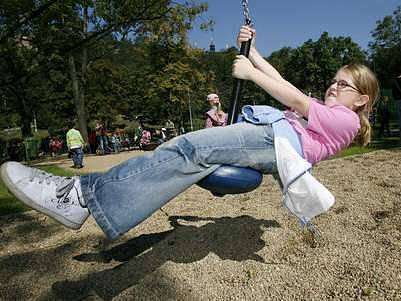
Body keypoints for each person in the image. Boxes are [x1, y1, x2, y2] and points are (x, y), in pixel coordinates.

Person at [0, 26, 379, 240]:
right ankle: (87, 199)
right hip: (271, 137)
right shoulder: (333, 110)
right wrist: (254, 53)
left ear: (362, 99)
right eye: (334, 81)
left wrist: (250, 74)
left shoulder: (347, 121)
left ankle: (79, 195)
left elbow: (295, 99)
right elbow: (284, 80)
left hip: (276, 141)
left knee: (186, 149)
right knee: (186, 154)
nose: (333, 87)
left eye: (343, 85)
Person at [392, 74, 401, 140]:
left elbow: (393, 93)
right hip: (398, 99)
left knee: (399, 118)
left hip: (397, 100)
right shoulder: (397, 81)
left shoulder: (395, 81)